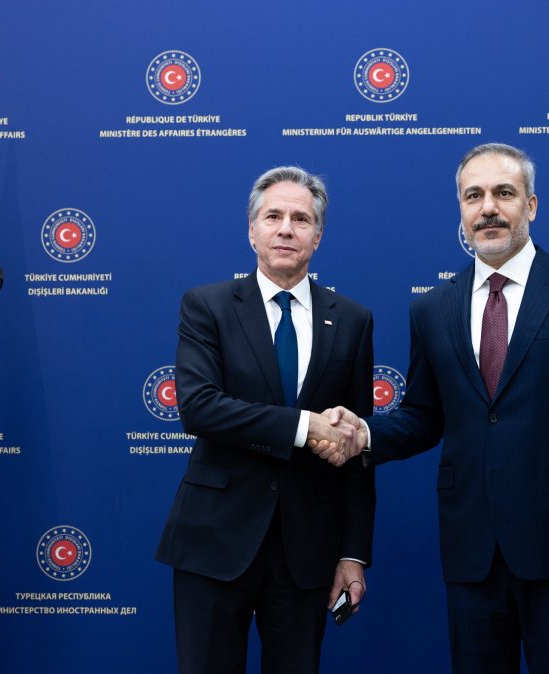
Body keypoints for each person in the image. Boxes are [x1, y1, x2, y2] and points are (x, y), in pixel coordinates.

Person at [321, 143, 549, 673]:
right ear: (461, 210)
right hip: (472, 551)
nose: (488, 208)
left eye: (503, 193)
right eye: (474, 196)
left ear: (531, 206)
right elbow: (425, 415)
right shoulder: (431, 307)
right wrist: (365, 435)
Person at [156, 166, 375, 674]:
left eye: (301, 219)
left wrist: (353, 554)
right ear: (251, 229)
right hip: (214, 543)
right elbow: (200, 407)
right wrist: (305, 426)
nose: (285, 229)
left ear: (317, 237)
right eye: (273, 216)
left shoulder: (353, 320)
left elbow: (356, 449)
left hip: (307, 551)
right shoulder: (206, 306)